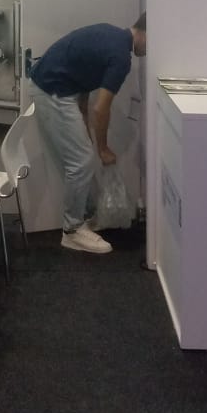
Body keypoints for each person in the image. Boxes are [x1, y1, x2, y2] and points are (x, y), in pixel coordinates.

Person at [29, 15, 147, 254]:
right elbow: (101, 108)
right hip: (53, 91)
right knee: (81, 161)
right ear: (146, 32)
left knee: (82, 156)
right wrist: (103, 149)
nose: (149, 51)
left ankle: (87, 215)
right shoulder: (121, 58)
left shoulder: (112, 36)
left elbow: (81, 81)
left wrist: (84, 127)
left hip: (56, 86)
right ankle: (72, 231)